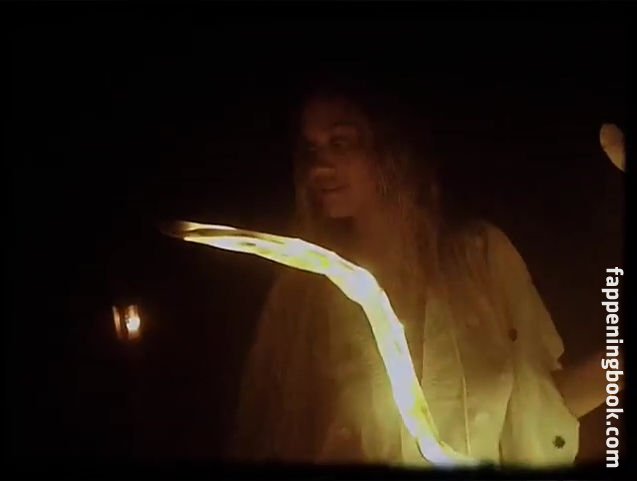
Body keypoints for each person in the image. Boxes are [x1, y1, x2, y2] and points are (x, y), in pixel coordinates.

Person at [228, 72, 618, 468]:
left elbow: (542, 409)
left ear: (391, 150)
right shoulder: (305, 291)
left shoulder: (480, 259)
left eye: (341, 142)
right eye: (311, 149)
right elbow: (269, 430)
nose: (318, 167)